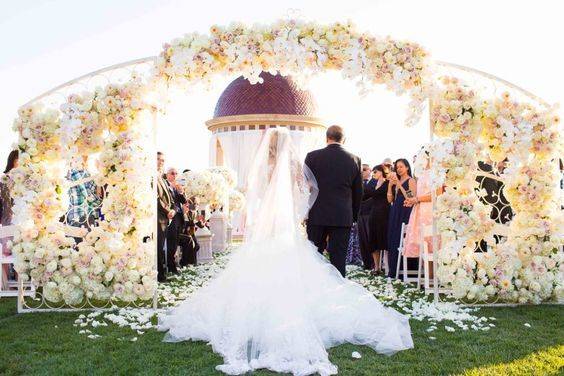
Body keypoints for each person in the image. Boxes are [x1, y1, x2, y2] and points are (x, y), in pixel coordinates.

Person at [158, 128, 413, 375]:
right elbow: (309, 191)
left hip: (270, 222)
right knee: (321, 263)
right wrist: (302, 212)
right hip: (295, 221)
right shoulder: (298, 165)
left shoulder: (281, 164)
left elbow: (257, 193)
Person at [305, 125, 363, 277]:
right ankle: (338, 293)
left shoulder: (312, 157)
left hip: (317, 214)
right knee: (338, 260)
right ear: (344, 139)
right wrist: (353, 217)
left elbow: (305, 188)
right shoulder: (355, 159)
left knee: (313, 257)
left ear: (326, 138)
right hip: (342, 216)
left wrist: (305, 212)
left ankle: (313, 288)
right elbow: (358, 193)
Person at [403, 151, 434, 274]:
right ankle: (427, 276)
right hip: (420, 209)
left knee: (431, 243)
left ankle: (431, 276)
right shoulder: (421, 175)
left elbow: (436, 194)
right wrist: (412, 200)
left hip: (429, 211)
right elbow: (417, 194)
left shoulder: (434, 173)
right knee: (423, 244)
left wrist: (416, 199)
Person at [386, 158, 416, 278]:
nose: (398, 169)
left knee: (403, 238)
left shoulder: (411, 180)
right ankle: (394, 269)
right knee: (393, 237)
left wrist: (399, 185)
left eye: (401, 167)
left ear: (407, 167)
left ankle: (407, 269)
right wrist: (390, 186)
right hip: (395, 212)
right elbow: (389, 200)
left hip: (406, 212)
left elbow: (411, 197)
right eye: (397, 167)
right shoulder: (396, 180)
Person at [363, 164, 390, 273]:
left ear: (382, 172)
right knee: (373, 239)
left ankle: (387, 267)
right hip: (373, 213)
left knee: (384, 238)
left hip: (385, 213)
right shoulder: (372, 183)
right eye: (373, 172)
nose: (373, 173)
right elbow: (364, 196)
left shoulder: (388, 183)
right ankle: (377, 267)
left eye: (376, 171)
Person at [1, 150, 18, 287]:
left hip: (22, 220)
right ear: (12, 160)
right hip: (7, 219)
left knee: (21, 253)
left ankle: (20, 284)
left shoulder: (28, 179)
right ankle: (6, 285)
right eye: (18, 159)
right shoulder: (4, 179)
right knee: (6, 252)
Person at [157, 152, 174, 282]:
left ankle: (163, 274)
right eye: (157, 159)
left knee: (162, 246)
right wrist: (167, 210)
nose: (160, 162)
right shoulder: (152, 177)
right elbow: (157, 198)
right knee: (159, 247)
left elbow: (169, 198)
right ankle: (160, 275)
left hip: (166, 217)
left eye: (162, 160)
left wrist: (172, 209)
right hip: (158, 217)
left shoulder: (162, 179)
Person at [165, 167, 186, 274]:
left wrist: (181, 192)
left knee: (176, 242)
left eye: (176, 173)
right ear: (167, 175)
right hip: (170, 217)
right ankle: (171, 266)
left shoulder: (178, 186)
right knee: (171, 243)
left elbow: (184, 201)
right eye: (172, 173)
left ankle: (174, 263)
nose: (174, 175)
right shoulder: (165, 185)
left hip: (179, 218)